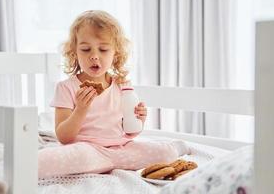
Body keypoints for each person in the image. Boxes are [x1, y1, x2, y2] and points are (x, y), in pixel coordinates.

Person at [38, 10, 189, 178]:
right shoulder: (66, 88)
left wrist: (139, 120)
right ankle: (19, 166)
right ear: (75, 52)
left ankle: (176, 147)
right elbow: (64, 137)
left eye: (103, 49)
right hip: (87, 150)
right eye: (86, 49)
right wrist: (80, 110)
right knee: (47, 160)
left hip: (121, 149)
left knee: (164, 153)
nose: (94, 56)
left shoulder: (122, 85)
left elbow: (130, 132)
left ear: (115, 53)